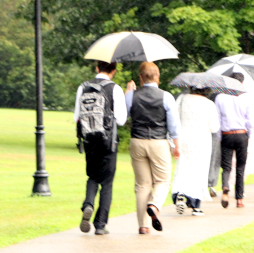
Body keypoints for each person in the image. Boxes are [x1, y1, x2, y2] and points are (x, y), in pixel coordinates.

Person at [125, 62, 181, 234]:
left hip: (137, 140)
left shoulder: (131, 95)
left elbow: (122, 116)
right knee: (163, 180)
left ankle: (143, 226)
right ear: (158, 77)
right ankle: (154, 205)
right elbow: (174, 125)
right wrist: (176, 146)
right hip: (158, 142)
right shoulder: (166, 97)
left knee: (142, 185)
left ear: (141, 78)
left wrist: (127, 92)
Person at [75, 61, 128, 235]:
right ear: (113, 71)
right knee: (106, 182)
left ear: (97, 68)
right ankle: (100, 225)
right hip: (108, 142)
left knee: (92, 176)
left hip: (89, 140)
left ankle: (88, 204)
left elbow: (77, 117)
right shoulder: (115, 89)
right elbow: (121, 120)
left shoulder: (83, 87)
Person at [171, 86, 220, 216]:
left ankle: (180, 193)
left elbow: (175, 117)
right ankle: (195, 206)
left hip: (184, 137)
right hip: (201, 140)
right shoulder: (209, 104)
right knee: (199, 171)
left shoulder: (182, 99)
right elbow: (214, 127)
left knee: (183, 167)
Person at [216, 72, 254, 209]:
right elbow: (251, 121)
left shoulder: (220, 97)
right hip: (241, 134)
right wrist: (249, 135)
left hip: (226, 134)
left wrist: (220, 137)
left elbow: (218, 120)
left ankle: (225, 187)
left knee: (226, 166)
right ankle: (239, 199)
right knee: (240, 167)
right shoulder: (247, 97)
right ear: (242, 83)